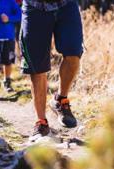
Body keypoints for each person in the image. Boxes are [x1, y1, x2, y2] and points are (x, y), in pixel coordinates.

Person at [20, 0, 83, 140]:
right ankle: (41, 122)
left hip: (66, 5)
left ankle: (60, 99)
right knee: (37, 66)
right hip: (35, 7)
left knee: (74, 53)